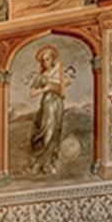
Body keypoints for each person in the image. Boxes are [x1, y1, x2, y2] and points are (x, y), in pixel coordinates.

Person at [27, 44, 69, 176]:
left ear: (52, 59)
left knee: (56, 131)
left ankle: (49, 163)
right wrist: (44, 89)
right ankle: (38, 162)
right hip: (47, 105)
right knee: (46, 132)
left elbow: (66, 83)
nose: (45, 62)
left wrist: (61, 84)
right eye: (43, 60)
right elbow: (32, 93)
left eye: (48, 59)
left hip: (58, 104)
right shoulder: (41, 76)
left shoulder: (58, 73)